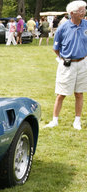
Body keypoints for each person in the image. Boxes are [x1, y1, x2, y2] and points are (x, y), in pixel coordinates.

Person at [44, 1, 87, 130]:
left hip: (83, 63)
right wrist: (63, 58)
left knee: (79, 93)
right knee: (61, 94)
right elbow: (55, 48)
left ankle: (77, 121)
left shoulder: (86, 25)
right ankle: (54, 120)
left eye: (84, 9)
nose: (84, 12)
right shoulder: (63, 27)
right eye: (81, 10)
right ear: (72, 13)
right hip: (67, 64)